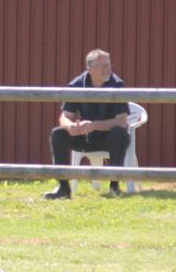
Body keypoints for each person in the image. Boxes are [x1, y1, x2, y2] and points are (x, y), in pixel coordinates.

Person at [44, 49, 130, 200]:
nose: (107, 69)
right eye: (102, 66)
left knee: (119, 134)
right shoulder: (77, 85)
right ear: (89, 68)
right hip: (85, 136)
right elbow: (65, 116)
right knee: (58, 133)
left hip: (107, 138)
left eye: (108, 65)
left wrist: (94, 125)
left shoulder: (117, 84)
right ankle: (63, 189)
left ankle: (114, 187)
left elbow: (122, 121)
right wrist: (70, 126)